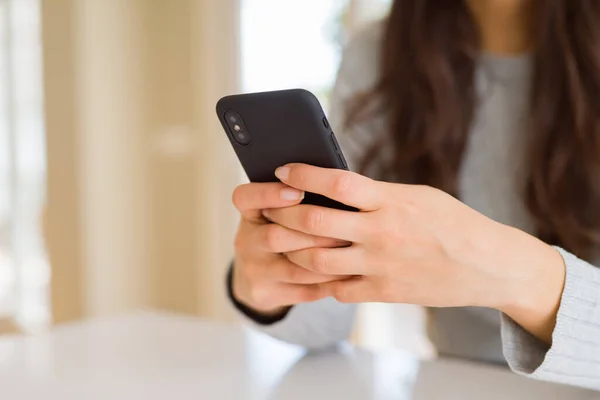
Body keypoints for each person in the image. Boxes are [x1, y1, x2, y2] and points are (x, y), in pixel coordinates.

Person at [226, 0, 600, 391]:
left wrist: (510, 270)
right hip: (454, 383)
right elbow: (323, 325)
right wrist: (270, 286)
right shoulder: (380, 54)